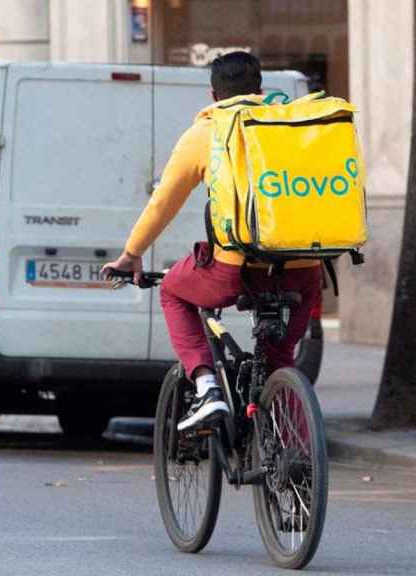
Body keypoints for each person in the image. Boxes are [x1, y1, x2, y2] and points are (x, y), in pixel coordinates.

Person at [103, 52, 323, 430]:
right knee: (278, 360)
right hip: (304, 272)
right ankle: (294, 452)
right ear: (261, 90)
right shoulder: (295, 127)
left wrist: (131, 254)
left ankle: (206, 387)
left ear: (213, 95)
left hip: (236, 270)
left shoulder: (207, 132)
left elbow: (163, 203)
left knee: (173, 290)